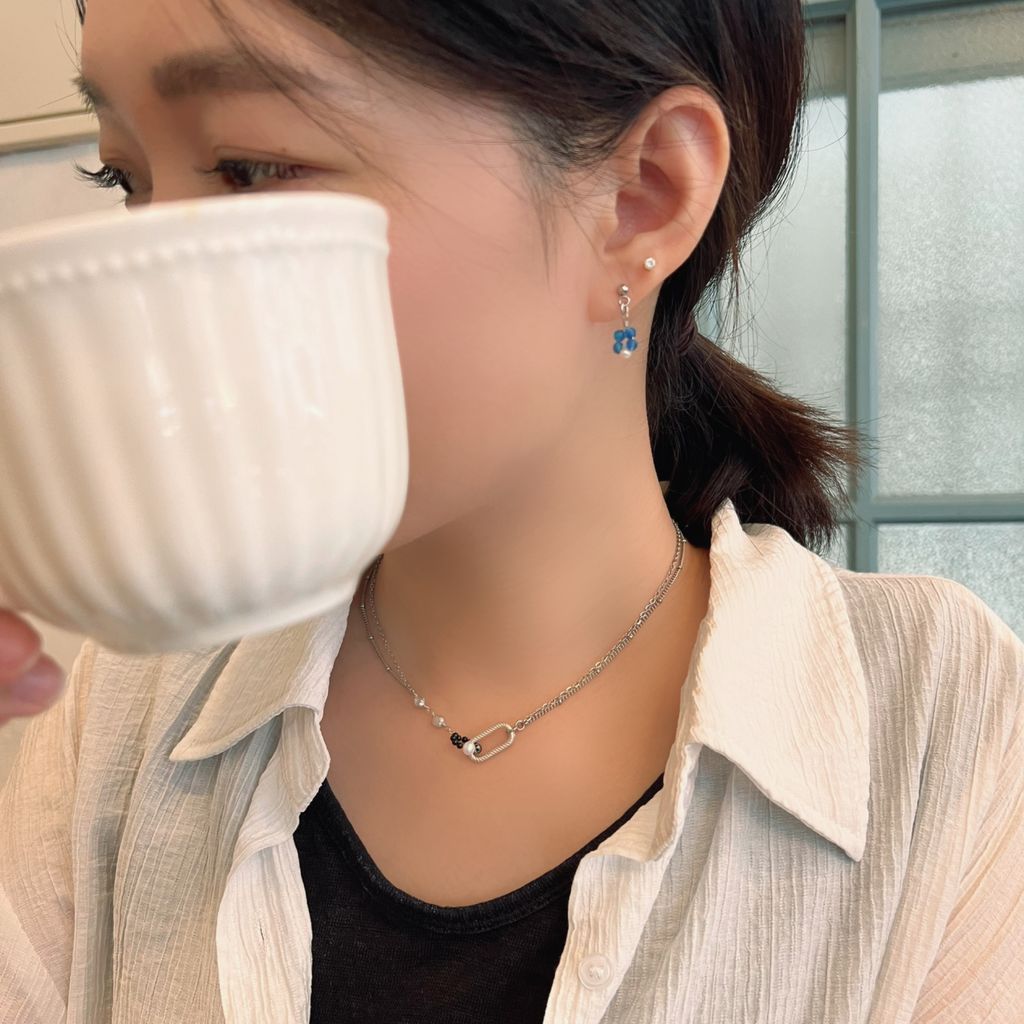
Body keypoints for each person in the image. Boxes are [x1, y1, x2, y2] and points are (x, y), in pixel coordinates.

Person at [1, 0, 1022, 1021]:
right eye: (126, 179)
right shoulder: (130, 704)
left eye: (252, 170)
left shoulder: (943, 729)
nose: (144, 306)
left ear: (641, 196)